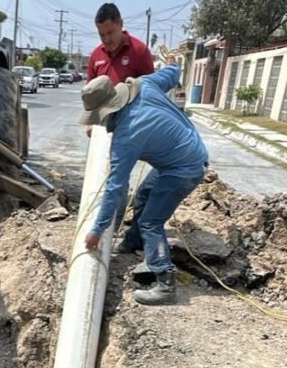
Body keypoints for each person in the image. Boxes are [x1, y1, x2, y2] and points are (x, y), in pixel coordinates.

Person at [81, 63, 208, 306]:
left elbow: (115, 188)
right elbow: (173, 72)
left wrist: (97, 231)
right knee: (143, 195)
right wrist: (172, 63)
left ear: (107, 111)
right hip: (186, 154)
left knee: (151, 222)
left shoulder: (127, 136)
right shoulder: (145, 85)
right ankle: (132, 242)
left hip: (184, 170)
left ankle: (165, 284)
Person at [87, 2, 154, 84]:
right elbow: (89, 93)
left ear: (120, 24)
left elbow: (152, 88)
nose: (107, 39)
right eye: (102, 35)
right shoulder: (95, 56)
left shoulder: (140, 51)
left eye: (110, 33)